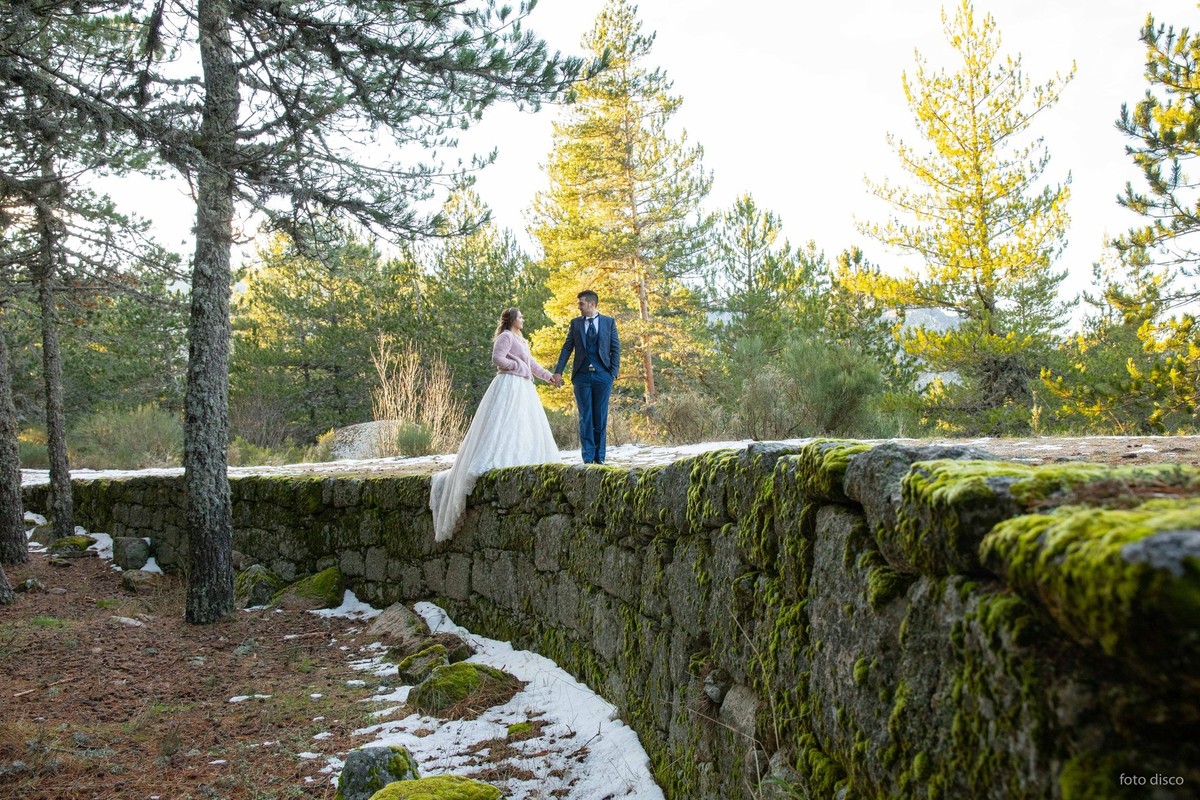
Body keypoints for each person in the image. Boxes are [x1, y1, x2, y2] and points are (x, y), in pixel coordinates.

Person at [429, 307, 560, 541]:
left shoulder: (520, 339)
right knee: (504, 425)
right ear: (511, 320)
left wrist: (549, 377)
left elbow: (531, 363)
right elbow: (498, 358)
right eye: (520, 316)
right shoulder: (506, 336)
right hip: (508, 385)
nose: (523, 319)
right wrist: (517, 368)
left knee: (523, 426)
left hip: (523, 387)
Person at [552, 290, 621, 465]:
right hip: (581, 377)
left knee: (600, 417)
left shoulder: (608, 322)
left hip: (603, 376)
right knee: (585, 417)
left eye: (581, 303)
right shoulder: (575, 324)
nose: (579, 307)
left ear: (592, 304)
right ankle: (588, 459)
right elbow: (567, 348)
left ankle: (600, 458)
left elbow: (615, 348)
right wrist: (558, 371)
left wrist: (612, 373)